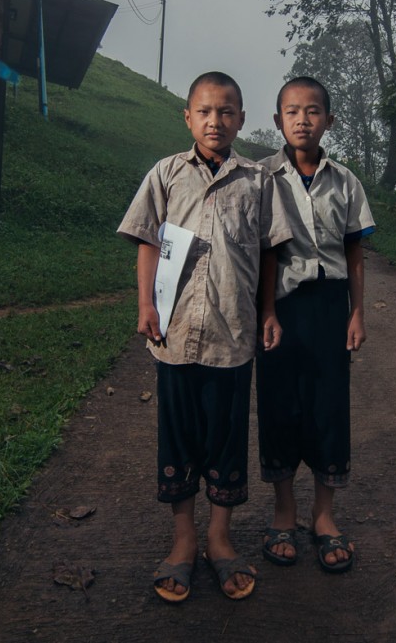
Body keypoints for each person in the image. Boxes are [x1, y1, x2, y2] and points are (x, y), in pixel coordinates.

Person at [117, 71, 292, 602]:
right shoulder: (166, 174)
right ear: (188, 117)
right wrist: (146, 302)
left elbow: (268, 252)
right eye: (205, 111)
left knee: (225, 437)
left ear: (241, 119)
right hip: (174, 336)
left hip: (232, 338)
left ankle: (219, 538)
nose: (216, 121)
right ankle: (183, 539)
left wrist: (268, 310)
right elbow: (147, 240)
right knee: (179, 436)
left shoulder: (258, 181)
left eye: (227, 111)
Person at [256, 76, 375, 574]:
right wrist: (264, 312)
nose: (302, 119)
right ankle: (284, 513)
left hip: (329, 306)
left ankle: (323, 517)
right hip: (280, 304)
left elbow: (355, 251)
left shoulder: (344, 180)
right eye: (292, 111)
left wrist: (356, 311)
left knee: (328, 407)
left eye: (313, 111)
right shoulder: (262, 177)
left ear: (329, 119)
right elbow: (261, 251)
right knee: (280, 405)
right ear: (278, 119)